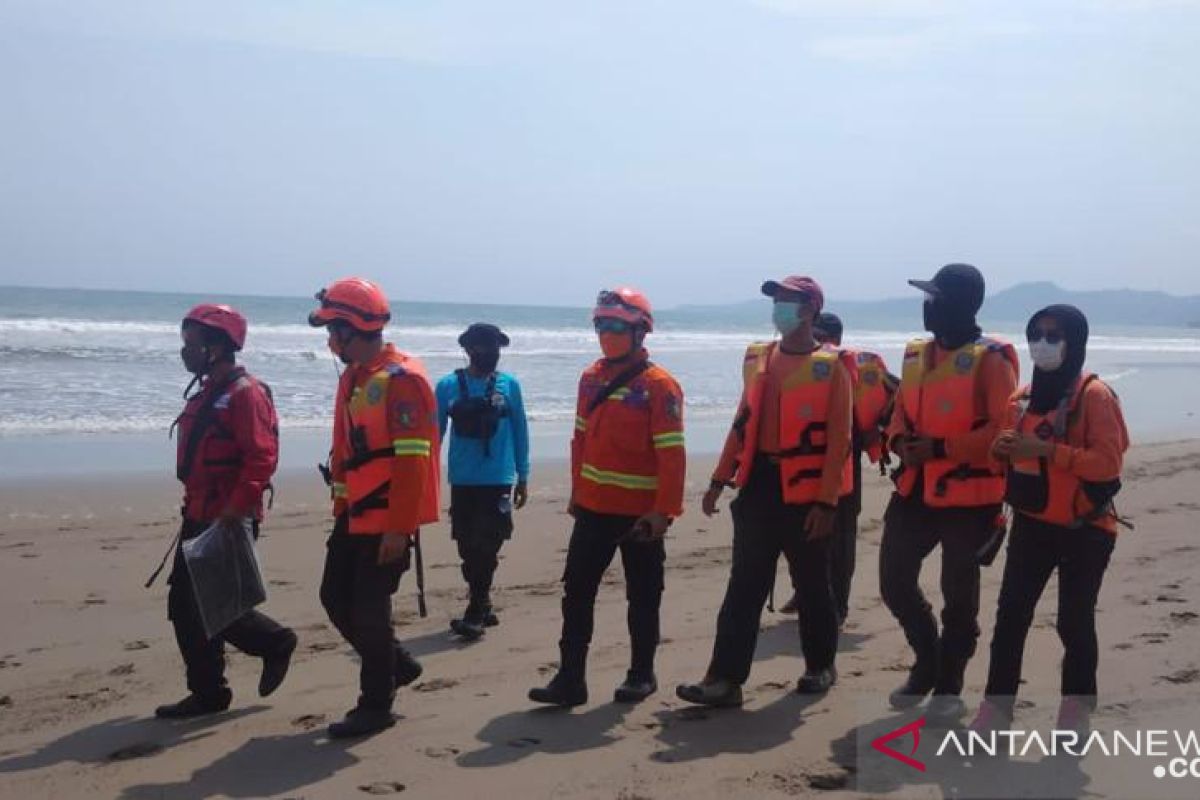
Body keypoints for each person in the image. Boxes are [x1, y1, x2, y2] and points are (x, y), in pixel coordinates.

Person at [677, 275, 853, 708]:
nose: (779, 309)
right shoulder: (759, 358)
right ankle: (724, 679)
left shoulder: (832, 366)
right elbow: (742, 422)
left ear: (810, 309)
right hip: (758, 486)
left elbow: (839, 441)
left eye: (788, 302)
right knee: (744, 585)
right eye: (776, 302)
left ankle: (820, 665)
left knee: (812, 583)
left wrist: (827, 501)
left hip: (807, 491)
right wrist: (719, 479)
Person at [971, 305, 1129, 734]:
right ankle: (996, 709)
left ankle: (1075, 710)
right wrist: (1000, 450)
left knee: (1073, 621)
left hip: (1087, 528)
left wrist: (1048, 452)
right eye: (1036, 334)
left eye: (1054, 335)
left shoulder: (1095, 397)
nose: (1043, 343)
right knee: (1010, 618)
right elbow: (1003, 461)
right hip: (1033, 523)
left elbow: (1108, 465)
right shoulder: (1019, 400)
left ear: (1074, 342)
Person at [528, 287, 685, 707]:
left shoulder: (660, 386)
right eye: (601, 325)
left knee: (643, 596)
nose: (606, 333)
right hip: (593, 510)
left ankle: (641, 674)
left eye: (616, 325)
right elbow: (580, 440)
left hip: (640, 517)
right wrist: (578, 493)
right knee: (576, 594)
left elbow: (672, 455)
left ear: (640, 332)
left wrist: (663, 511)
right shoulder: (590, 378)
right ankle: (570, 679)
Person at [880, 263, 1019, 721]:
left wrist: (940, 447)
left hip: (969, 497)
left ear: (959, 303)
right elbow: (899, 410)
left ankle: (948, 684)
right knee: (894, 581)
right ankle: (928, 656)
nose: (928, 305)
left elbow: (1002, 429)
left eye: (935, 297)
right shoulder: (915, 353)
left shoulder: (993, 357)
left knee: (958, 597)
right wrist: (899, 442)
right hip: (914, 489)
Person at [308, 277, 440, 738]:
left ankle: (376, 703)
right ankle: (395, 663)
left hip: (386, 519)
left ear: (352, 328)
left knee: (369, 610)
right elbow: (345, 449)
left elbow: (412, 462)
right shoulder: (355, 377)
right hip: (354, 514)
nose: (329, 341)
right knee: (333, 597)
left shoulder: (401, 382)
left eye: (332, 331)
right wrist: (341, 501)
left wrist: (399, 530)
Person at [155, 304, 297, 719]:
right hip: (200, 511)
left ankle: (274, 643)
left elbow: (260, 457)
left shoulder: (245, 394)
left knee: (210, 604)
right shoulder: (208, 392)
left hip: (227, 516)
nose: (187, 352)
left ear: (217, 347)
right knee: (188, 605)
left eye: (192, 344)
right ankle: (209, 691)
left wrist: (236, 510)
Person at [779, 311, 898, 625]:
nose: (816, 341)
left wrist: (878, 428)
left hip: (845, 465)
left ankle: (838, 605)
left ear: (835, 338)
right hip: (800, 463)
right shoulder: (796, 365)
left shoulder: (857, 365)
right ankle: (803, 591)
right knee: (795, 534)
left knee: (840, 540)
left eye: (822, 335)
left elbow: (901, 396)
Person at [436, 323, 531, 640]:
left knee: (488, 543)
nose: (489, 353)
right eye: (481, 348)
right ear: (468, 350)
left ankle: (476, 610)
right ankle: (483, 601)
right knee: (467, 545)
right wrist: (421, 476)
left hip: (499, 479)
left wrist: (524, 475)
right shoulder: (448, 386)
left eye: (494, 348)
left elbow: (520, 431)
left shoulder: (510, 386)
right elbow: (433, 435)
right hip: (463, 480)